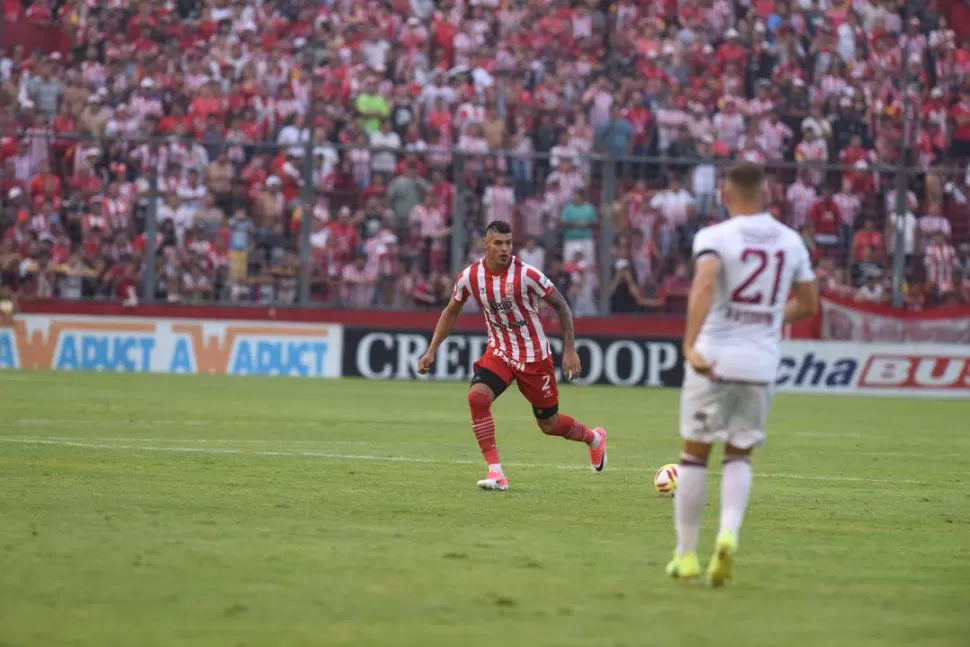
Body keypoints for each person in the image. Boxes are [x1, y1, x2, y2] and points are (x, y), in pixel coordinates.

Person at [668, 162, 819, 586]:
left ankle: (685, 556)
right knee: (739, 454)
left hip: (714, 357)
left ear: (725, 194)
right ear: (766, 192)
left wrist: (690, 343)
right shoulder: (791, 242)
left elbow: (705, 281)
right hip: (760, 362)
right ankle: (729, 533)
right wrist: (771, 319)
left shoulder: (715, 237)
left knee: (694, 455)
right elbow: (808, 303)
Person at [417, 220, 608, 491]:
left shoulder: (527, 274)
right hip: (500, 352)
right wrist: (431, 349)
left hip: (534, 358)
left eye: (508, 243)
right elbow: (451, 311)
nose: (505, 249)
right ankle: (496, 472)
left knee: (549, 424)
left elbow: (561, 306)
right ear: (486, 245)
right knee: (477, 397)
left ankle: (594, 438)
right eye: (498, 243)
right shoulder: (470, 277)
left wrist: (569, 349)